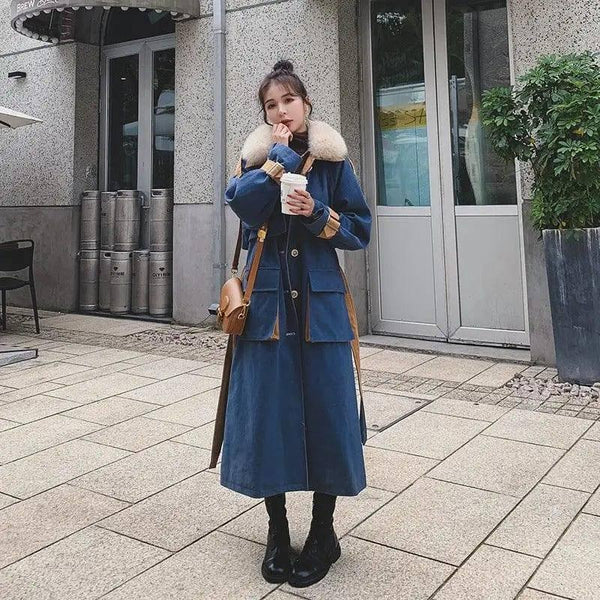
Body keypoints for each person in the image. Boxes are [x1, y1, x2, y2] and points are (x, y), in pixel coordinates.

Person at [213, 59, 371, 588]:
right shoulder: (256, 158)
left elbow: (360, 229)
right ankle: (277, 532)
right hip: (268, 308)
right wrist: (277, 161)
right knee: (269, 416)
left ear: (306, 104)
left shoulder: (333, 160)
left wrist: (315, 213)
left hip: (320, 306)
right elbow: (243, 206)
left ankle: (323, 533)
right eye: (271, 105)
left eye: (289, 100)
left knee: (328, 414)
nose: (281, 111)